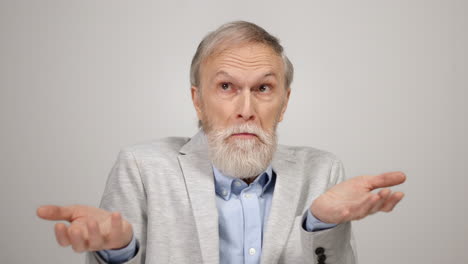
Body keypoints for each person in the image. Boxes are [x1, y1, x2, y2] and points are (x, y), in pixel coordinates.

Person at [37, 21, 406, 264]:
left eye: (263, 88)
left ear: (284, 102)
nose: (245, 109)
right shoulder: (142, 167)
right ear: (198, 99)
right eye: (226, 87)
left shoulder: (323, 170)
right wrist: (119, 250)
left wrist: (318, 224)